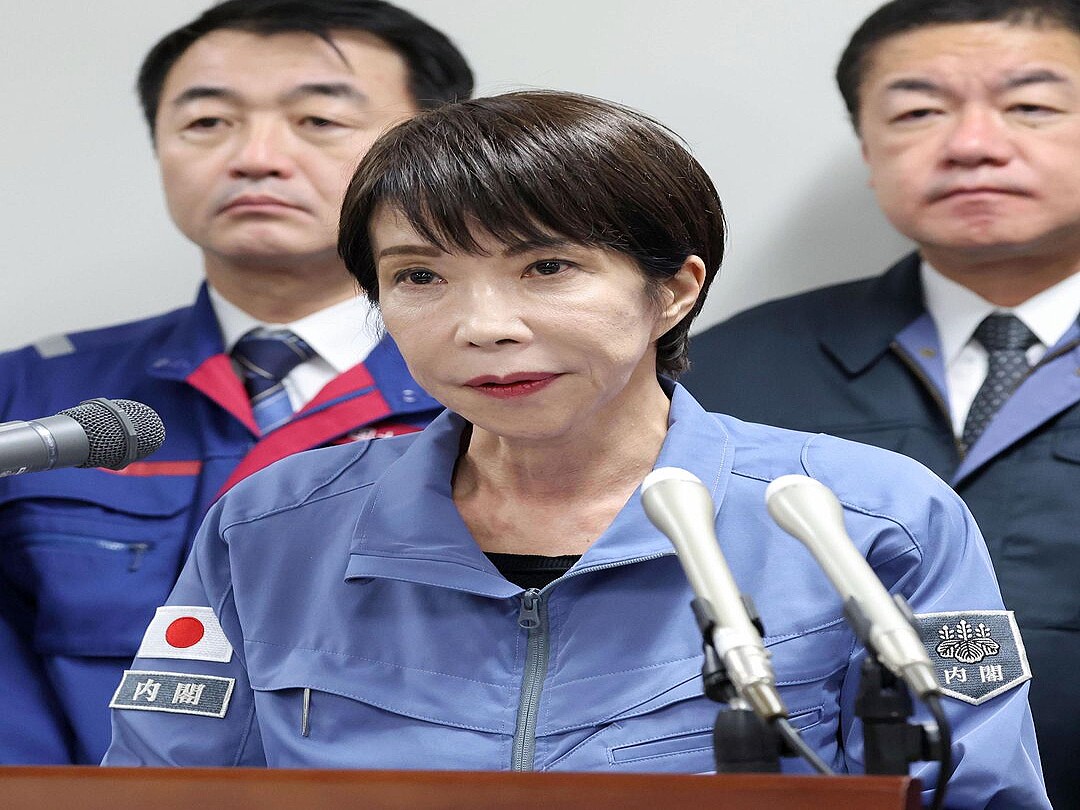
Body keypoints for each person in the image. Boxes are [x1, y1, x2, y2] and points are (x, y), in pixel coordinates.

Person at [103, 90, 1048, 808]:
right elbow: (158, 790)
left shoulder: (867, 519)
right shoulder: (274, 525)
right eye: (420, 277)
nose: (484, 325)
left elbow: (977, 793)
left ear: (673, 291)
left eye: (546, 267)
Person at [0, 0, 472, 765]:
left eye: (318, 120)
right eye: (207, 122)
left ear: (432, 153)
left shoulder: (509, 389)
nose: (256, 157)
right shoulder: (32, 399)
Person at [680, 0, 1080, 805]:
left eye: (1032, 106)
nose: (973, 144)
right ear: (868, 148)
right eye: (918, 112)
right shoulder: (721, 369)